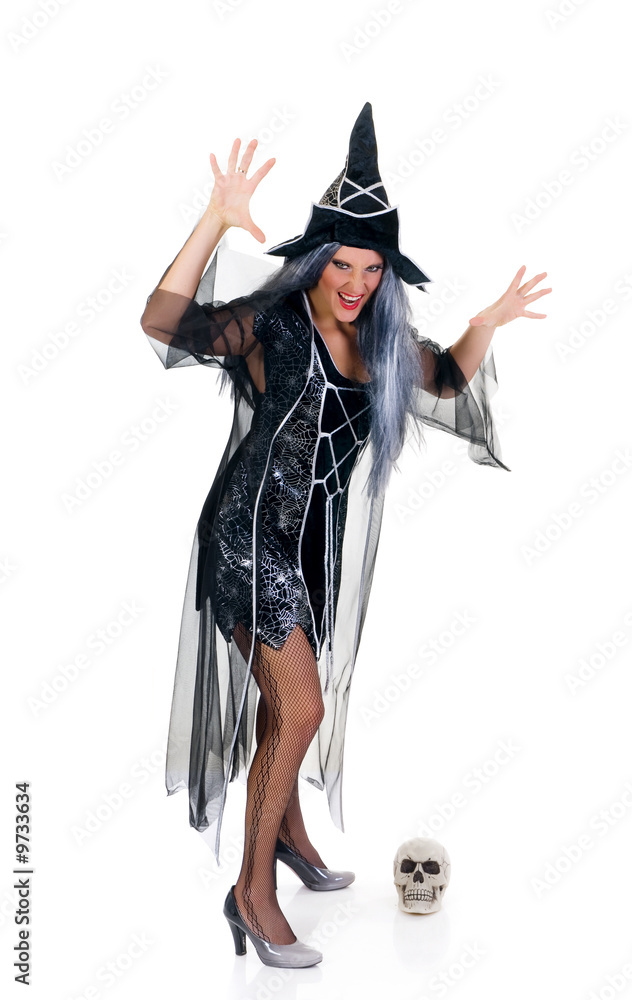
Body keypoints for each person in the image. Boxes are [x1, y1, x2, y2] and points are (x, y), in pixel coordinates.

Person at [140, 103, 551, 969]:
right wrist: (215, 217)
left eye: (371, 268)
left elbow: (447, 378)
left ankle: (288, 834)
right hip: (247, 538)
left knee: (283, 704)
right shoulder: (278, 322)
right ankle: (250, 895)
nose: (355, 282)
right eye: (342, 264)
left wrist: (487, 320)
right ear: (317, 259)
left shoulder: (385, 341)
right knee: (304, 709)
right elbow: (164, 324)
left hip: (309, 551)